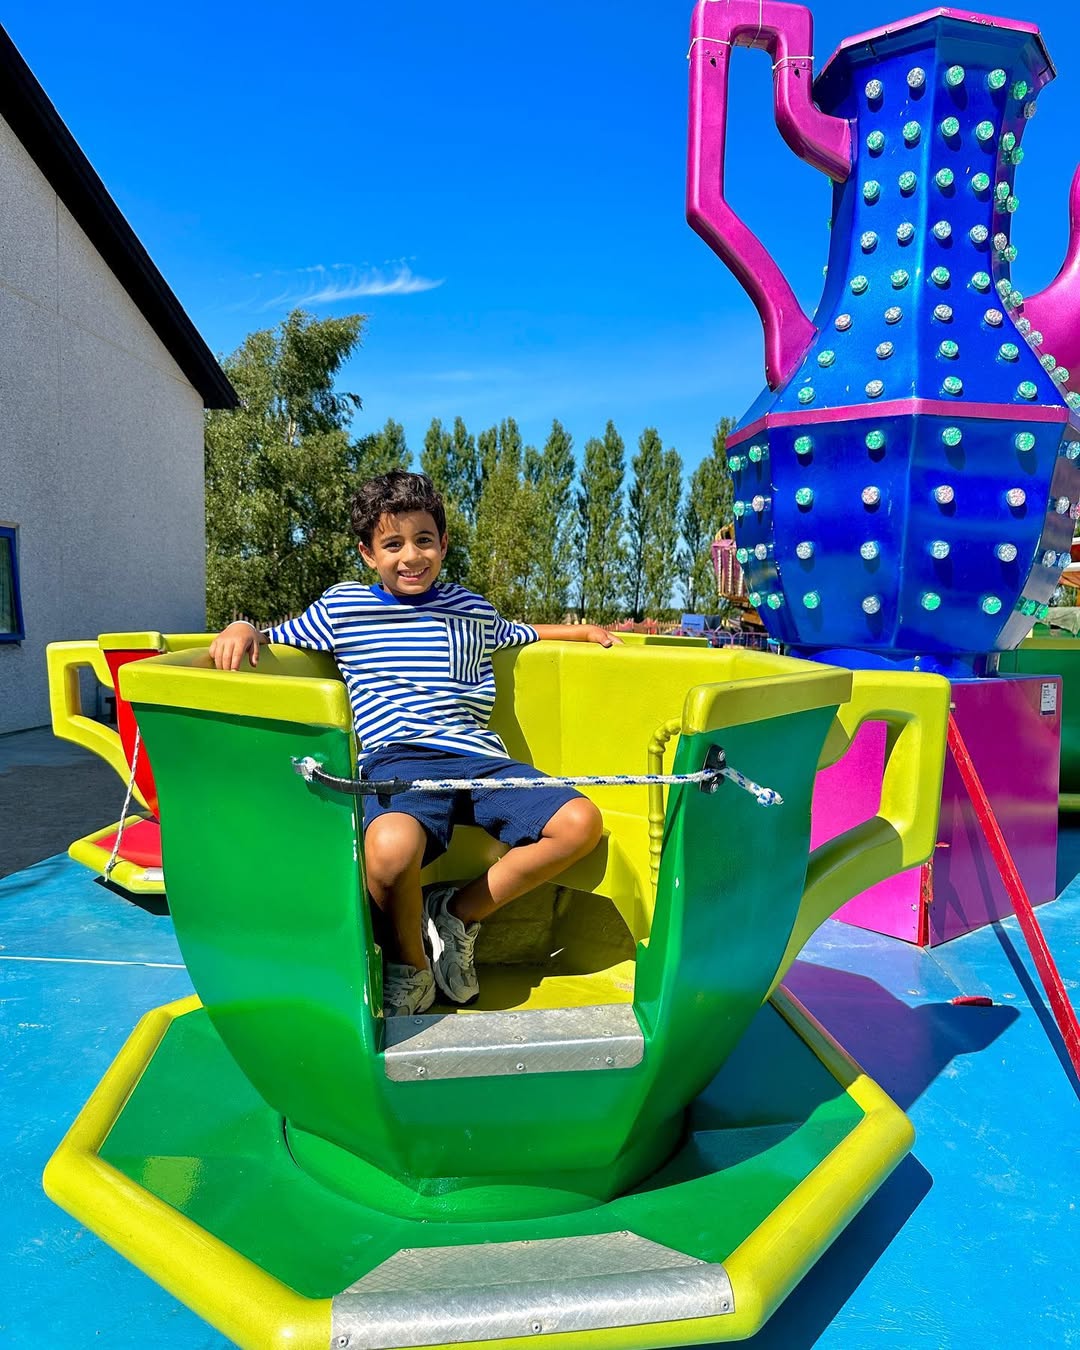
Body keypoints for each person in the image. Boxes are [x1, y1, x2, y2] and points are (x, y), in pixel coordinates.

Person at [210, 469, 618, 1016]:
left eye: (424, 540)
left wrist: (584, 632)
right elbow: (272, 638)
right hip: (397, 760)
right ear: (367, 554)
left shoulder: (471, 609)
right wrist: (240, 626)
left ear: (443, 544)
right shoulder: (342, 609)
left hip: (478, 759)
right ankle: (411, 960)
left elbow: (522, 631)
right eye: (393, 544)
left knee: (579, 824)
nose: (411, 556)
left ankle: (457, 913)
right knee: (388, 851)